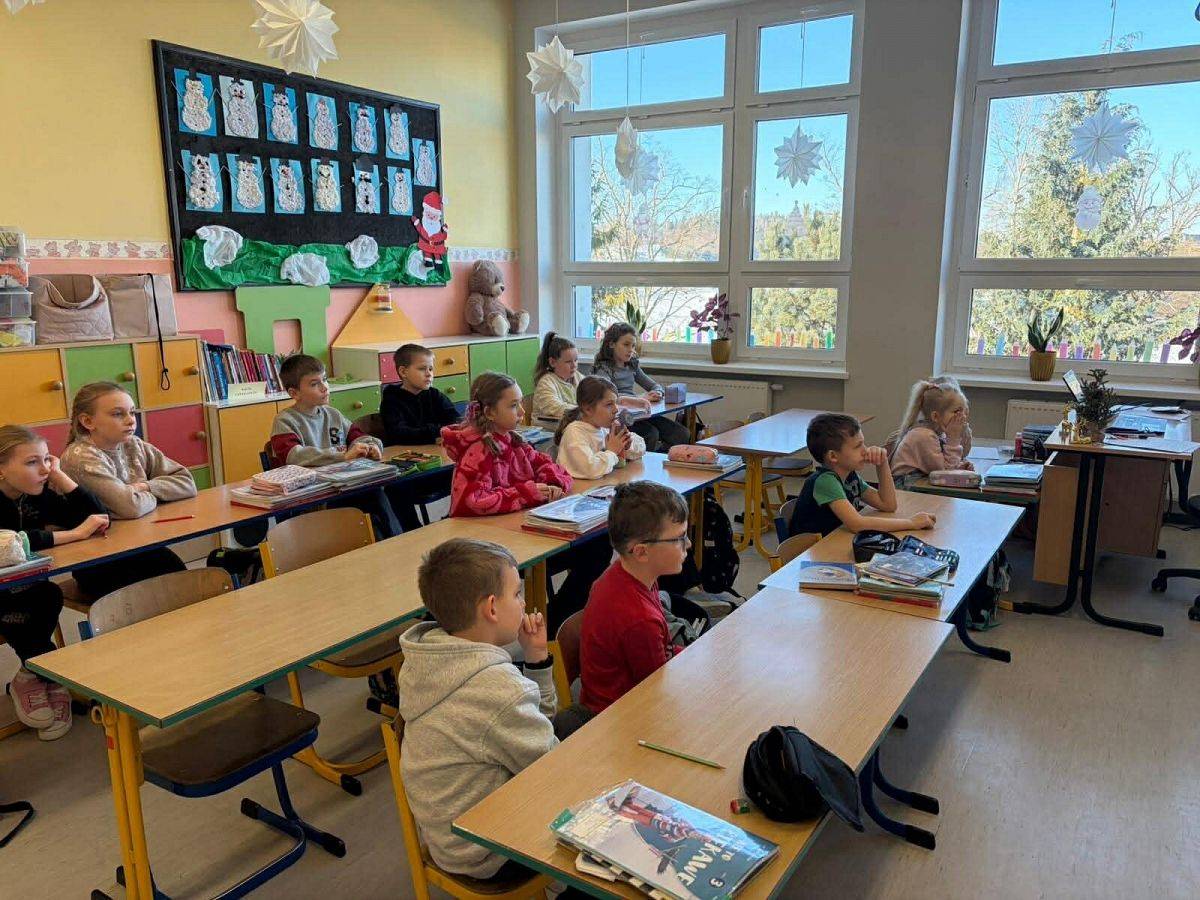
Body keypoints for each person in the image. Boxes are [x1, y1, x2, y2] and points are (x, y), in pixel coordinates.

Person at [397, 538, 588, 883]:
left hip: (450, 840)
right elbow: (552, 771)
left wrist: (535, 658)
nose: (524, 602)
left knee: (576, 720)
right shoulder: (498, 690)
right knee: (591, 766)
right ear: (492, 608)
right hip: (488, 854)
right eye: (516, 593)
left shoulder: (430, 658)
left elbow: (534, 725)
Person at [441, 372, 610, 633]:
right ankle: (553, 626)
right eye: (513, 405)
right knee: (592, 551)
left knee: (597, 544)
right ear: (489, 412)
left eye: (520, 403)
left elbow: (551, 468)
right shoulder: (477, 451)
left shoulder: (514, 440)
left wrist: (552, 484)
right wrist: (527, 492)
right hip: (487, 547)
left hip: (519, 534)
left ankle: (556, 621)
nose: (522, 411)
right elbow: (471, 501)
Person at [0, 425, 110, 739]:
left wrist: (61, 477)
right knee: (22, 602)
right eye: (32, 462)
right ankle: (50, 674)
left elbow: (97, 516)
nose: (45, 468)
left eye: (47, 459)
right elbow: (12, 542)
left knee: (48, 594)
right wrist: (74, 535)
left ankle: (31, 675)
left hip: (28, 585)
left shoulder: (35, 494)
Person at [57, 382, 190, 596]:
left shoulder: (133, 444)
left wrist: (145, 486)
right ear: (88, 421)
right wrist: (155, 493)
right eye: (118, 414)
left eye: (132, 412)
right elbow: (130, 507)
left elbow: (186, 482)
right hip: (99, 560)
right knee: (166, 589)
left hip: (137, 545)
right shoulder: (80, 457)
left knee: (178, 576)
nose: (130, 420)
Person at [579, 481, 689, 714]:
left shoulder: (631, 574)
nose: (687, 544)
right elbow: (658, 689)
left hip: (632, 698)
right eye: (679, 538)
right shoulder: (639, 619)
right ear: (641, 552)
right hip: (621, 717)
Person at [269, 354, 396, 537]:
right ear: (294, 393)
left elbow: (358, 436)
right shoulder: (285, 420)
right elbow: (293, 456)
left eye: (325, 379)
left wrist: (370, 447)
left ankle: (391, 543)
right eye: (314, 384)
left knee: (374, 493)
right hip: (312, 498)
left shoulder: (332, 414)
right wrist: (342, 456)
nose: (324, 387)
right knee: (368, 502)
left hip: (341, 487)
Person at [788, 412, 936, 537]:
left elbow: (888, 504)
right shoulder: (825, 481)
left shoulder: (849, 476)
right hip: (810, 553)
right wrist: (911, 523)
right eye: (858, 446)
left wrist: (882, 464)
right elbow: (857, 524)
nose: (865, 450)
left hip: (834, 541)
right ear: (833, 456)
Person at [378, 343, 457, 530]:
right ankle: (412, 530)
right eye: (422, 369)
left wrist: (438, 432)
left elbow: (456, 420)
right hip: (410, 471)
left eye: (431, 369)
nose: (429, 374)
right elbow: (399, 433)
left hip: (437, 465)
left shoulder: (434, 395)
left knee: (465, 469)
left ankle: (455, 517)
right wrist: (436, 432)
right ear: (403, 371)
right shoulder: (391, 400)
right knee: (396, 488)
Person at [591, 322, 689, 452]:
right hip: (619, 418)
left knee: (681, 433)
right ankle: (643, 461)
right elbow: (608, 397)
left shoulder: (632, 365)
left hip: (638, 414)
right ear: (611, 344)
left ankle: (661, 460)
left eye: (633, 346)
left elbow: (654, 385)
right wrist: (639, 399)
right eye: (626, 345)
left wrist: (657, 392)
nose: (631, 350)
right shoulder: (602, 369)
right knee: (651, 434)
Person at [555, 375, 645, 479]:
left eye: (616, 403)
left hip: (599, 485)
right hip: (577, 488)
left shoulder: (604, 428)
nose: (616, 409)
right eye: (609, 404)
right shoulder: (575, 433)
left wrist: (627, 446)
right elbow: (590, 469)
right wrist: (612, 451)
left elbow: (642, 447)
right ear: (588, 409)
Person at [888, 376, 974, 479]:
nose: (962, 417)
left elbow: (943, 464)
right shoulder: (923, 435)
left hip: (922, 481)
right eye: (957, 411)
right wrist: (953, 440)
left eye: (964, 411)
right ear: (935, 416)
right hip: (906, 485)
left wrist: (960, 466)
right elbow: (945, 474)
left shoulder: (938, 433)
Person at [531, 332, 581, 421]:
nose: (574, 365)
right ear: (552, 362)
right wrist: (585, 411)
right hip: (548, 428)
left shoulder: (577, 376)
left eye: (576, 360)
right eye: (568, 362)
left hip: (571, 425)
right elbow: (556, 408)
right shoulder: (546, 382)